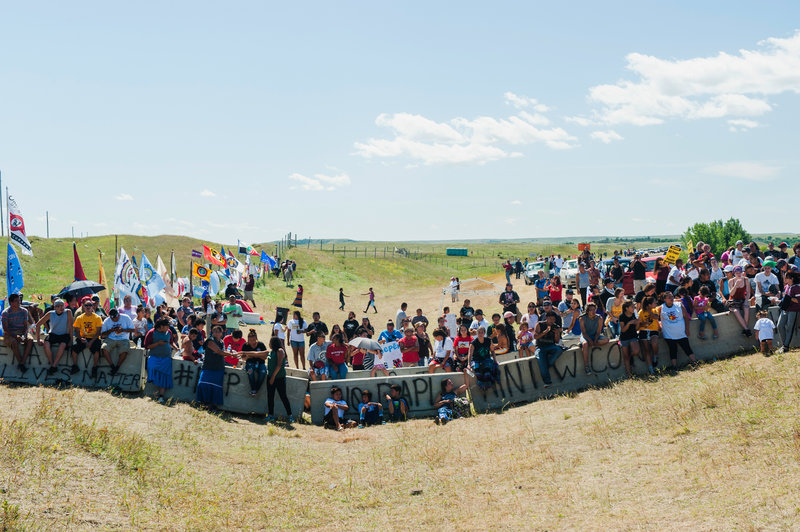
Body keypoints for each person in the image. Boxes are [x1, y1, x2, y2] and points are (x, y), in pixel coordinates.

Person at [659, 292, 699, 372]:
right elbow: (656, 318)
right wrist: (659, 326)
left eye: (672, 296)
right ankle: (674, 366)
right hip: (669, 334)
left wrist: (687, 329)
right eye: (669, 297)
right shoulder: (661, 308)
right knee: (672, 349)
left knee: (686, 347)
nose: (671, 298)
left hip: (681, 332)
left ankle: (695, 362)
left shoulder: (679, 305)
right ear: (664, 299)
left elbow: (686, 317)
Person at [34, 298, 74, 375]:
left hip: (64, 334)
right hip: (53, 333)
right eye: (58, 306)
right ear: (55, 307)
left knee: (62, 345)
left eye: (62, 305)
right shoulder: (50, 313)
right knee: (46, 344)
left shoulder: (68, 312)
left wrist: (71, 340)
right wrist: (38, 340)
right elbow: (38, 325)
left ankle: (54, 365)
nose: (61, 308)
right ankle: (52, 364)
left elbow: (70, 327)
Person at [72, 297, 104, 378]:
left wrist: (91, 342)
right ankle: (75, 366)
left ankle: (94, 368)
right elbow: (77, 330)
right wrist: (80, 338)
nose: (88, 307)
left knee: (97, 350)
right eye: (86, 305)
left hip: (94, 338)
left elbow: (98, 332)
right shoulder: (79, 318)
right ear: (83, 307)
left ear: (93, 307)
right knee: (74, 348)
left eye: (90, 305)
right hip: (83, 337)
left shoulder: (97, 318)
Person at [143, 318, 174, 404]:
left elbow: (171, 342)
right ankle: (150, 382)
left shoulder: (169, 332)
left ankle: (161, 396)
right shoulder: (151, 332)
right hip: (154, 357)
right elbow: (147, 346)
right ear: (161, 326)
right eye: (167, 326)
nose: (168, 328)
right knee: (151, 367)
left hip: (166, 358)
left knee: (164, 377)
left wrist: (176, 348)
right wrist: (157, 343)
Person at [2, 293, 35, 373]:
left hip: (21, 331)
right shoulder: (5, 313)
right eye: (16, 301)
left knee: (30, 340)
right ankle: (21, 362)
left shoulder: (24, 311)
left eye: (19, 300)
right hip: (10, 333)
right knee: (14, 342)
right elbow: (5, 328)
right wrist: (15, 336)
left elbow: (25, 325)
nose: (19, 302)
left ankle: (22, 362)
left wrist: (24, 335)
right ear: (11, 303)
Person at [196, 325, 227, 408]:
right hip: (208, 366)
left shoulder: (222, 342)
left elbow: (222, 352)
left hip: (218, 367)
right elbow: (218, 351)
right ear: (212, 333)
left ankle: (213, 405)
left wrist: (230, 354)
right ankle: (203, 402)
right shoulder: (210, 341)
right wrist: (231, 354)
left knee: (216, 386)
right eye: (215, 331)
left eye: (219, 332)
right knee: (203, 384)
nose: (217, 333)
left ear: (222, 333)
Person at [265, 337, 294, 422]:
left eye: (270, 342)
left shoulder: (280, 351)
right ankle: (270, 415)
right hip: (270, 376)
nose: (269, 344)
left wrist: (273, 377)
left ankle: (290, 415)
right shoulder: (270, 352)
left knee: (283, 396)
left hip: (279, 378)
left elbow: (279, 365)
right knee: (270, 396)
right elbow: (257, 353)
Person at [100, 309, 135, 375]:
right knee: (104, 348)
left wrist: (123, 330)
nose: (115, 320)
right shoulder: (107, 321)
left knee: (125, 350)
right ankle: (112, 366)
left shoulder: (126, 317)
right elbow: (102, 334)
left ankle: (117, 367)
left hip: (123, 338)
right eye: (113, 319)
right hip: (111, 338)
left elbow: (133, 329)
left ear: (119, 314)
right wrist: (110, 330)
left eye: (116, 317)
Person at [533, 311, 562, 387]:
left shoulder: (556, 327)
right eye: (550, 319)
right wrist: (545, 332)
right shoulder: (539, 324)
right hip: (540, 347)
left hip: (551, 346)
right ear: (546, 318)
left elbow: (557, 341)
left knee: (559, 349)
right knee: (540, 359)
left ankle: (546, 365)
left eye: (553, 319)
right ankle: (547, 382)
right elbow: (535, 337)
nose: (552, 321)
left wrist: (557, 333)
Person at [579, 302, 608, 376]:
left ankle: (591, 344)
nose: (593, 311)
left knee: (606, 340)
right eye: (591, 310)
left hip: (595, 335)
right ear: (587, 311)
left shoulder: (599, 318)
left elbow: (598, 332)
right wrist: (590, 341)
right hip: (586, 336)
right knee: (585, 344)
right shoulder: (582, 318)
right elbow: (584, 333)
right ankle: (586, 366)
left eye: (594, 309)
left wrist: (595, 341)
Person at [468, 326, 499, 395]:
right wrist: (469, 364)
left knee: (488, 370)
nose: (480, 334)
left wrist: (495, 360)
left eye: (482, 332)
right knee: (478, 372)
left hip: (486, 359)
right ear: (476, 333)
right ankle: (482, 387)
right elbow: (470, 354)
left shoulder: (488, 340)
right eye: (479, 332)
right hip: (476, 360)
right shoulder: (473, 343)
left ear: (484, 333)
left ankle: (489, 386)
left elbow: (492, 351)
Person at [777, 272, 800, 353]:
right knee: (780, 325)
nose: (785, 279)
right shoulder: (786, 286)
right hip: (785, 309)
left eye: (786, 277)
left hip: (794, 310)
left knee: (790, 328)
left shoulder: (797, 288)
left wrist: (789, 298)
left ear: (791, 278)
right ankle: (785, 346)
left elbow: (798, 301)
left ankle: (785, 347)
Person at [240, 329, 268, 396]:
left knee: (263, 372)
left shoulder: (261, 345)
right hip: (250, 363)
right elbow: (243, 358)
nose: (252, 342)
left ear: (256, 339)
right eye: (250, 340)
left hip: (260, 363)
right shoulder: (245, 345)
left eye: (253, 340)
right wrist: (257, 355)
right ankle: (253, 388)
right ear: (248, 340)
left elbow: (265, 357)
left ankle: (256, 389)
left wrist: (252, 354)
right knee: (250, 371)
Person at [726, 266, 752, 337]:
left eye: (740, 272)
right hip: (733, 300)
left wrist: (746, 301)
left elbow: (748, 292)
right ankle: (747, 329)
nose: (739, 274)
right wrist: (736, 285)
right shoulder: (731, 281)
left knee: (746, 308)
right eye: (737, 273)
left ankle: (745, 329)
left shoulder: (746, 280)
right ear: (734, 273)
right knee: (736, 311)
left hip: (742, 299)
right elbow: (731, 294)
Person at [637, 296, 660, 372]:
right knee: (646, 350)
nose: (656, 303)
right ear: (649, 304)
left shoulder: (655, 310)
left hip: (653, 330)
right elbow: (638, 325)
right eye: (654, 303)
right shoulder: (641, 312)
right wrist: (644, 323)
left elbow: (656, 317)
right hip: (643, 330)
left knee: (654, 342)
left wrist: (649, 311)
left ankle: (655, 357)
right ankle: (651, 369)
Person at [618, 302, 640, 377]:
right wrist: (629, 323)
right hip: (624, 337)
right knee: (626, 356)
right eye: (632, 307)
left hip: (633, 336)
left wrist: (638, 323)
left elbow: (636, 328)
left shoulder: (634, 314)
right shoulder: (622, 316)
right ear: (626, 308)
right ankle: (629, 374)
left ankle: (630, 357)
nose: (634, 308)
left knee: (636, 351)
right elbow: (623, 330)